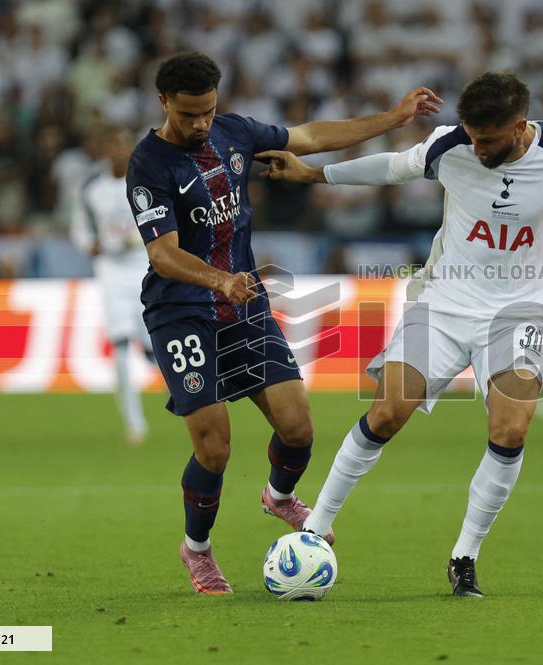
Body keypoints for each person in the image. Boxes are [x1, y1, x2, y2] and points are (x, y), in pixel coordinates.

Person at [256, 72, 543, 597]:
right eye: (471, 136)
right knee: (387, 412)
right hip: (445, 301)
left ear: (519, 127)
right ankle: (314, 533)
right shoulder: (450, 144)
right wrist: (313, 175)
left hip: (523, 310)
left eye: (488, 140)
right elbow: (391, 167)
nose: (476, 149)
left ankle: (465, 556)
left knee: (511, 429)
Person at [125, 51, 441, 595]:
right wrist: (219, 280)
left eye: (208, 111)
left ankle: (278, 496)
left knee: (298, 429)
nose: (201, 124)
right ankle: (197, 551)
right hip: (181, 312)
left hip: (241, 302)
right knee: (214, 447)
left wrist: (391, 119)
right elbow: (163, 255)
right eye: (189, 115)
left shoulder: (234, 132)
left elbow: (311, 135)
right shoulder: (149, 164)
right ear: (163, 103)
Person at [71, 127, 154, 444]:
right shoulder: (92, 188)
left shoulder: (146, 181)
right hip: (110, 271)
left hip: (144, 267)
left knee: (153, 348)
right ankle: (135, 423)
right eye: (113, 146)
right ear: (106, 150)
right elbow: (80, 229)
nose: (119, 152)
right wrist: (89, 244)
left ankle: (185, 397)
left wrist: (143, 237)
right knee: (120, 343)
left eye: (124, 146)